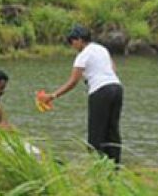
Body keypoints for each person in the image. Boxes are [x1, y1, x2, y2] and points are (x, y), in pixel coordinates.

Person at [38, 26, 124, 165]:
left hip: (100, 91)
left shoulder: (83, 55)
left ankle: (97, 166)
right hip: (117, 88)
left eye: (72, 42)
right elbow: (113, 67)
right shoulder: (101, 49)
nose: (72, 46)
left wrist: (52, 96)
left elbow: (72, 82)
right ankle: (115, 167)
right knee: (112, 130)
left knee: (96, 133)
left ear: (79, 40)